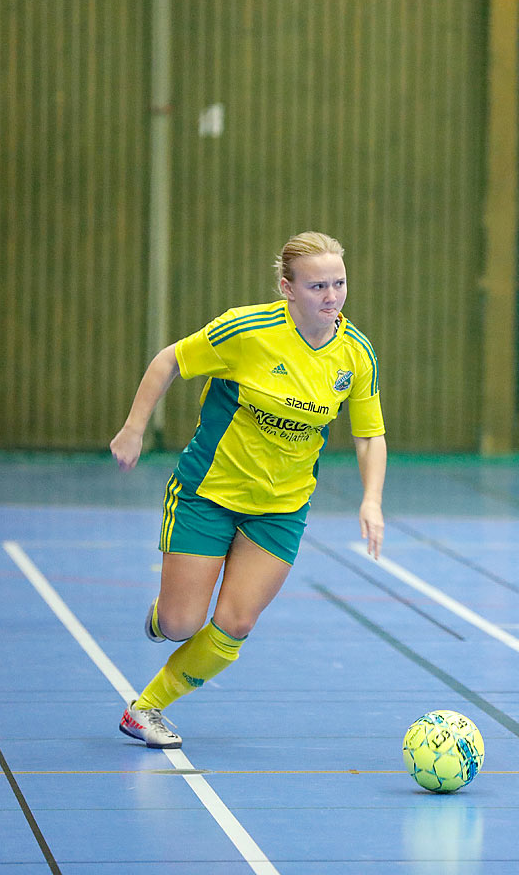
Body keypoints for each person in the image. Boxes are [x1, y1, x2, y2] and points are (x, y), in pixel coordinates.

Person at [109, 231, 387, 749]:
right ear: (287, 288)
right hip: (208, 494)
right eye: (317, 286)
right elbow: (169, 360)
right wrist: (133, 428)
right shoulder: (248, 331)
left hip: (281, 510)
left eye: (340, 283)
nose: (332, 297)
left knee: (234, 622)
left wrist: (371, 499)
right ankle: (164, 615)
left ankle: (145, 708)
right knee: (180, 623)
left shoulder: (355, 354)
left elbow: (370, 433)